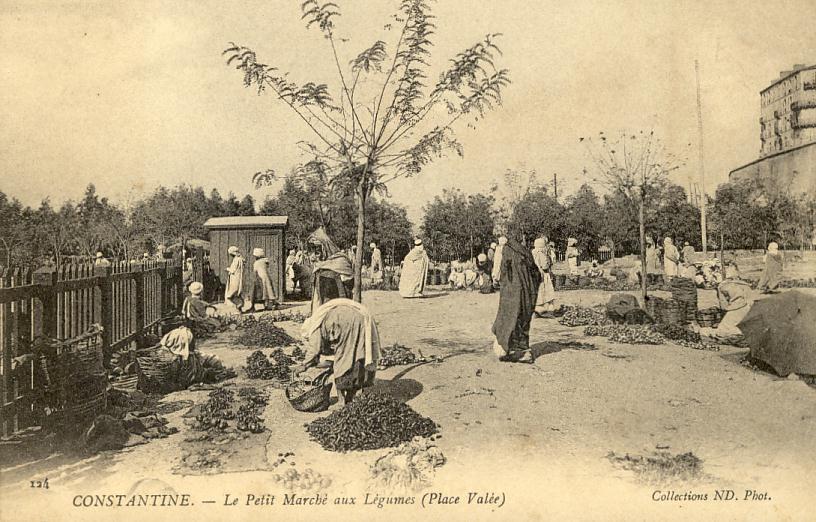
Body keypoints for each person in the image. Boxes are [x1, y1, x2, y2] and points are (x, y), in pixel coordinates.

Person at [294, 298, 380, 406]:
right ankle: (351, 395)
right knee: (357, 356)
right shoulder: (319, 318)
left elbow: (314, 349)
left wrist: (304, 365)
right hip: (361, 318)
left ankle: (341, 400)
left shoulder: (313, 329)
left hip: (348, 323)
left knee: (342, 364)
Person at [492, 236, 541, 363]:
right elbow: (536, 273)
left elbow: (500, 273)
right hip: (527, 293)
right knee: (522, 319)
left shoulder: (505, 251)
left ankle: (513, 351)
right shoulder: (525, 252)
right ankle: (522, 350)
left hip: (511, 292)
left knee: (508, 318)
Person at [698, 263, 754, 341]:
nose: (706, 278)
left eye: (706, 276)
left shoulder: (721, 286)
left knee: (722, 330)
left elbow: (723, 307)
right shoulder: (740, 282)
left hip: (738, 308)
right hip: (751, 308)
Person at [308, 227, 354, 311]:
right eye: (313, 248)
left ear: (325, 247)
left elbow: (349, 283)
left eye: (318, 248)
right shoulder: (320, 263)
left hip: (338, 301)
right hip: (321, 300)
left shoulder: (340, 261)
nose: (316, 252)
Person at [244, 247, 279, 312]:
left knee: (256, 292)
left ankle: (252, 306)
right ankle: (270, 304)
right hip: (267, 278)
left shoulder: (257, 263)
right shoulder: (265, 261)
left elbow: (255, 271)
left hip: (259, 278)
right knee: (268, 292)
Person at [532, 237, 556, 317]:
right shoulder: (538, 253)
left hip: (541, 275)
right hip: (542, 275)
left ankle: (543, 308)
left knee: (543, 292)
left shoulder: (538, 252)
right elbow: (541, 264)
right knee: (544, 292)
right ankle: (542, 309)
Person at [224, 246, 245, 311]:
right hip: (239, 277)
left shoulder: (236, 260)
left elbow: (233, 270)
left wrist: (227, 269)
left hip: (235, 278)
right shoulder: (241, 259)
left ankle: (235, 307)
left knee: (231, 293)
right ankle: (239, 307)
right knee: (237, 292)